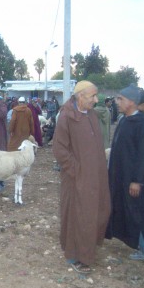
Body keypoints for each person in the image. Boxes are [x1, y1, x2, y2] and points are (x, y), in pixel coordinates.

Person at [52, 81, 111, 274]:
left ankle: (88, 248)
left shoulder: (91, 114)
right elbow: (59, 149)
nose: (96, 100)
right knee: (79, 214)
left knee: (97, 210)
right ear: (80, 97)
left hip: (96, 175)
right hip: (77, 177)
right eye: (92, 96)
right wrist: (76, 170)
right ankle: (77, 255)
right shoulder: (67, 116)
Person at [106, 84, 144, 260]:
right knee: (125, 209)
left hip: (134, 180)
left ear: (133, 102)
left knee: (139, 212)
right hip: (121, 177)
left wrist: (137, 180)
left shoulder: (142, 123)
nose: (116, 102)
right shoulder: (125, 121)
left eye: (121, 99)